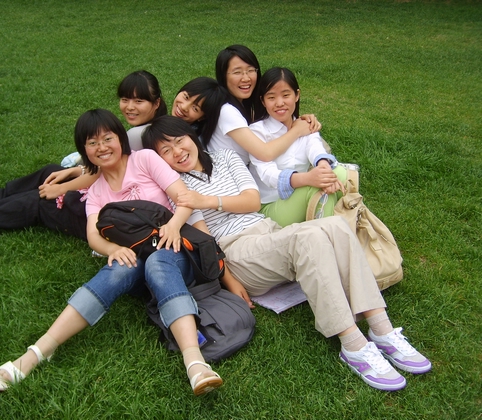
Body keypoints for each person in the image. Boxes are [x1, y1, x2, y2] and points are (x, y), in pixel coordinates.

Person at [141, 116, 432, 392]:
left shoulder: (225, 157)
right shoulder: (176, 187)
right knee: (307, 236)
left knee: (335, 225)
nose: (177, 152)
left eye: (179, 141)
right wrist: (230, 280)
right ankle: (352, 343)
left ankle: (382, 328)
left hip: (268, 231)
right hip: (236, 250)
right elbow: (206, 240)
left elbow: (252, 201)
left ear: (191, 136)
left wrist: (206, 200)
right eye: (165, 151)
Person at [0, 109, 223, 396]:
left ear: (120, 138)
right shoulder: (96, 190)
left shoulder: (145, 160)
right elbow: (93, 236)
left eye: (107, 138)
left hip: (177, 251)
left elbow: (184, 199)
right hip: (139, 260)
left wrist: (173, 225)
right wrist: (113, 248)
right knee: (119, 267)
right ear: (84, 150)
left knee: (160, 261)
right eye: (92, 142)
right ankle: (39, 351)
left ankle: (195, 362)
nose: (101, 147)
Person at [0, 70, 167, 240]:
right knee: (51, 172)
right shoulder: (151, 128)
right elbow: (107, 168)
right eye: (125, 99)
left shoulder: (139, 136)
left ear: (156, 103)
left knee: (42, 199)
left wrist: (62, 188)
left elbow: (105, 173)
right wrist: (75, 171)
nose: (130, 107)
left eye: (139, 101)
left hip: (116, 205)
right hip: (115, 191)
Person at [249, 67, 347, 227]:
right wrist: (308, 178)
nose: (279, 103)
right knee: (318, 187)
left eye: (286, 95)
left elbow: (315, 147)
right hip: (271, 207)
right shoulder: (257, 132)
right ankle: (327, 233)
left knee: (338, 173)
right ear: (263, 101)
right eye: (271, 97)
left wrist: (323, 167)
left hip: (302, 194)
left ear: (297, 95)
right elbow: (268, 174)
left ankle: (324, 232)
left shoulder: (305, 124)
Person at [209, 45, 321, 165]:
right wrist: (297, 130)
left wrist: (303, 121)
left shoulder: (244, 106)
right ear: (223, 76)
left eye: (251, 70)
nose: (246, 78)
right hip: (228, 174)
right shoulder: (227, 111)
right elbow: (265, 154)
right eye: (237, 72)